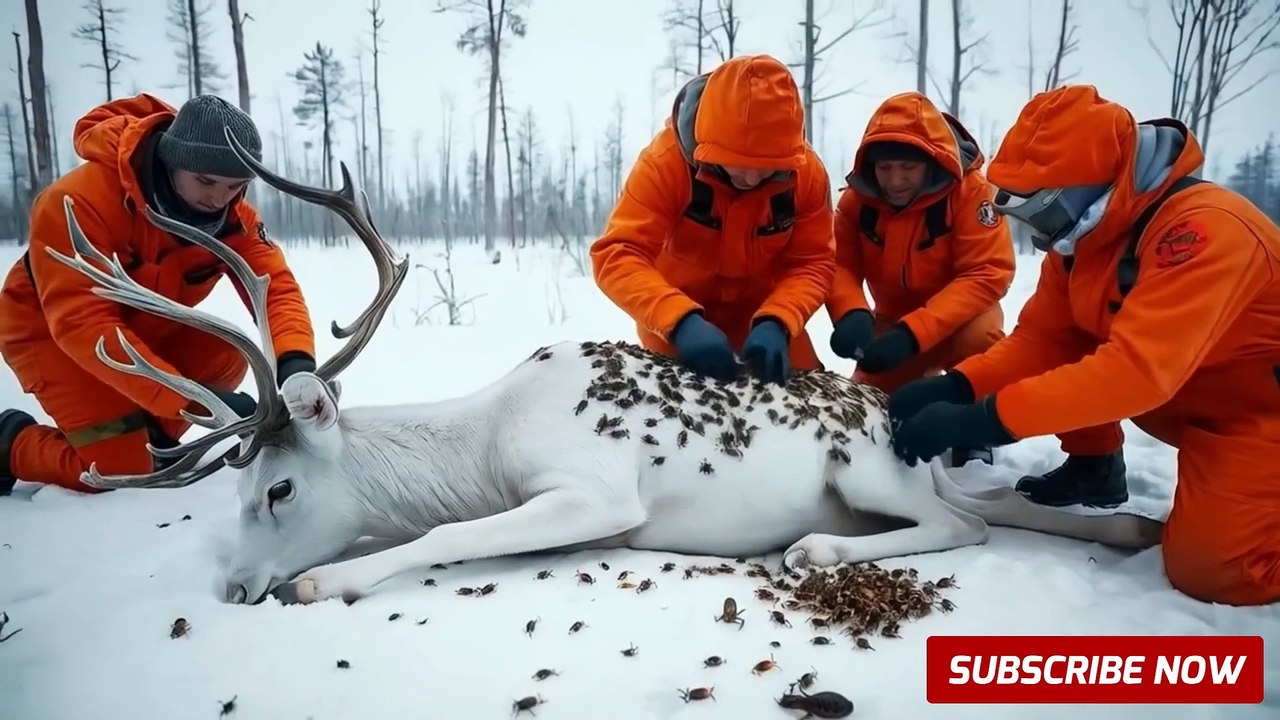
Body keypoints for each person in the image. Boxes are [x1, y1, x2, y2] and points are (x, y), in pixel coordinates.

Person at [887, 84, 1280, 606]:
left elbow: (1134, 372)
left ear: (1084, 188)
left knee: (1217, 572)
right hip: (1196, 406)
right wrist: (957, 388)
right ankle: (1097, 470)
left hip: (1257, 417)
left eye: (1040, 212)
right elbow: (1044, 341)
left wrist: (983, 421)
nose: (1039, 233)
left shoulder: (1203, 233)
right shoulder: (1084, 241)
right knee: (1076, 350)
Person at [0, 93, 318, 496]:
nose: (219, 198)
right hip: (51, 334)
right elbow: (82, 323)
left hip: (143, 332)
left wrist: (296, 364)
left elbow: (277, 290)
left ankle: (149, 438)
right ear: (171, 160)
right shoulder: (77, 202)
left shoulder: (235, 220)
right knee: (117, 471)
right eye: (205, 181)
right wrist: (194, 401)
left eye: (236, 186)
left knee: (226, 355)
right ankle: (11, 443)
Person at [590, 54, 836, 387]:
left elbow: (813, 263)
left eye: (767, 168)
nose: (751, 179)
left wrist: (780, 319)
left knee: (813, 401)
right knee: (676, 408)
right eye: (738, 163)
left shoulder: (807, 175)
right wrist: (680, 321)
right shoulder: (665, 164)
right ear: (709, 143)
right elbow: (617, 254)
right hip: (677, 323)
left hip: (765, 324)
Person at [823, 91, 1015, 467]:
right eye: (885, 167)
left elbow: (988, 272)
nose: (895, 180)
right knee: (862, 409)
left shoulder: (971, 193)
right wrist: (850, 313)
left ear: (932, 161)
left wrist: (914, 333)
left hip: (962, 322)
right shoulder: (856, 202)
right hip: (892, 327)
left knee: (981, 342)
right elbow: (838, 265)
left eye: (908, 167)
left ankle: (971, 430)